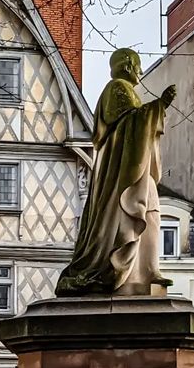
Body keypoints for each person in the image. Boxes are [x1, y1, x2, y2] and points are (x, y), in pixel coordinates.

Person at [56, 48, 177, 296]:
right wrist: (159, 106)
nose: (141, 72)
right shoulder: (117, 88)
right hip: (123, 172)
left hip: (135, 167)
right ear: (128, 65)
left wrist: (154, 111)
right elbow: (128, 123)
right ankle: (125, 270)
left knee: (151, 213)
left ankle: (147, 271)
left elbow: (136, 122)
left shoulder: (127, 91)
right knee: (133, 216)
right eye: (138, 65)